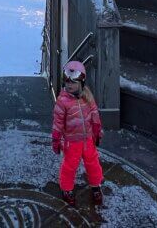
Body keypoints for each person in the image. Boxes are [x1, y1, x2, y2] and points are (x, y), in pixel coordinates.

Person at [51, 60, 103, 207]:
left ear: (81, 82)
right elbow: (58, 122)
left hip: (88, 140)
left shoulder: (88, 96)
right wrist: (56, 139)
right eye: (67, 81)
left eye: (73, 82)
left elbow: (94, 114)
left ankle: (96, 186)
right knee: (69, 166)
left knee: (93, 164)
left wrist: (97, 131)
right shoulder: (62, 101)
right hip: (72, 141)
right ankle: (67, 189)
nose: (69, 85)